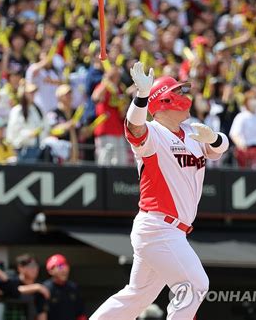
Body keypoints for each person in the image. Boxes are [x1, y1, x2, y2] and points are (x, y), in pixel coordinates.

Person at [91, 62, 230, 319]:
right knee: (195, 285)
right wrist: (142, 96)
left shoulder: (192, 132)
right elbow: (133, 128)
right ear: (164, 100)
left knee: (137, 296)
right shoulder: (154, 133)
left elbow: (221, 147)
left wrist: (213, 138)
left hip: (168, 230)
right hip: (159, 226)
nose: (184, 96)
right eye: (177, 92)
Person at [40, 254, 86, 320]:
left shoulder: (73, 287)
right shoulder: (45, 288)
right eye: (60, 266)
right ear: (50, 271)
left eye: (66, 266)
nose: (64, 269)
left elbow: (81, 314)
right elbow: (41, 314)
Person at [11, 254, 49, 320]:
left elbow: (41, 313)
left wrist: (38, 287)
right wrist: (36, 287)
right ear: (20, 268)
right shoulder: (12, 281)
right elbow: (11, 290)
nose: (35, 269)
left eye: (36, 266)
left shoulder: (40, 288)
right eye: (31, 266)